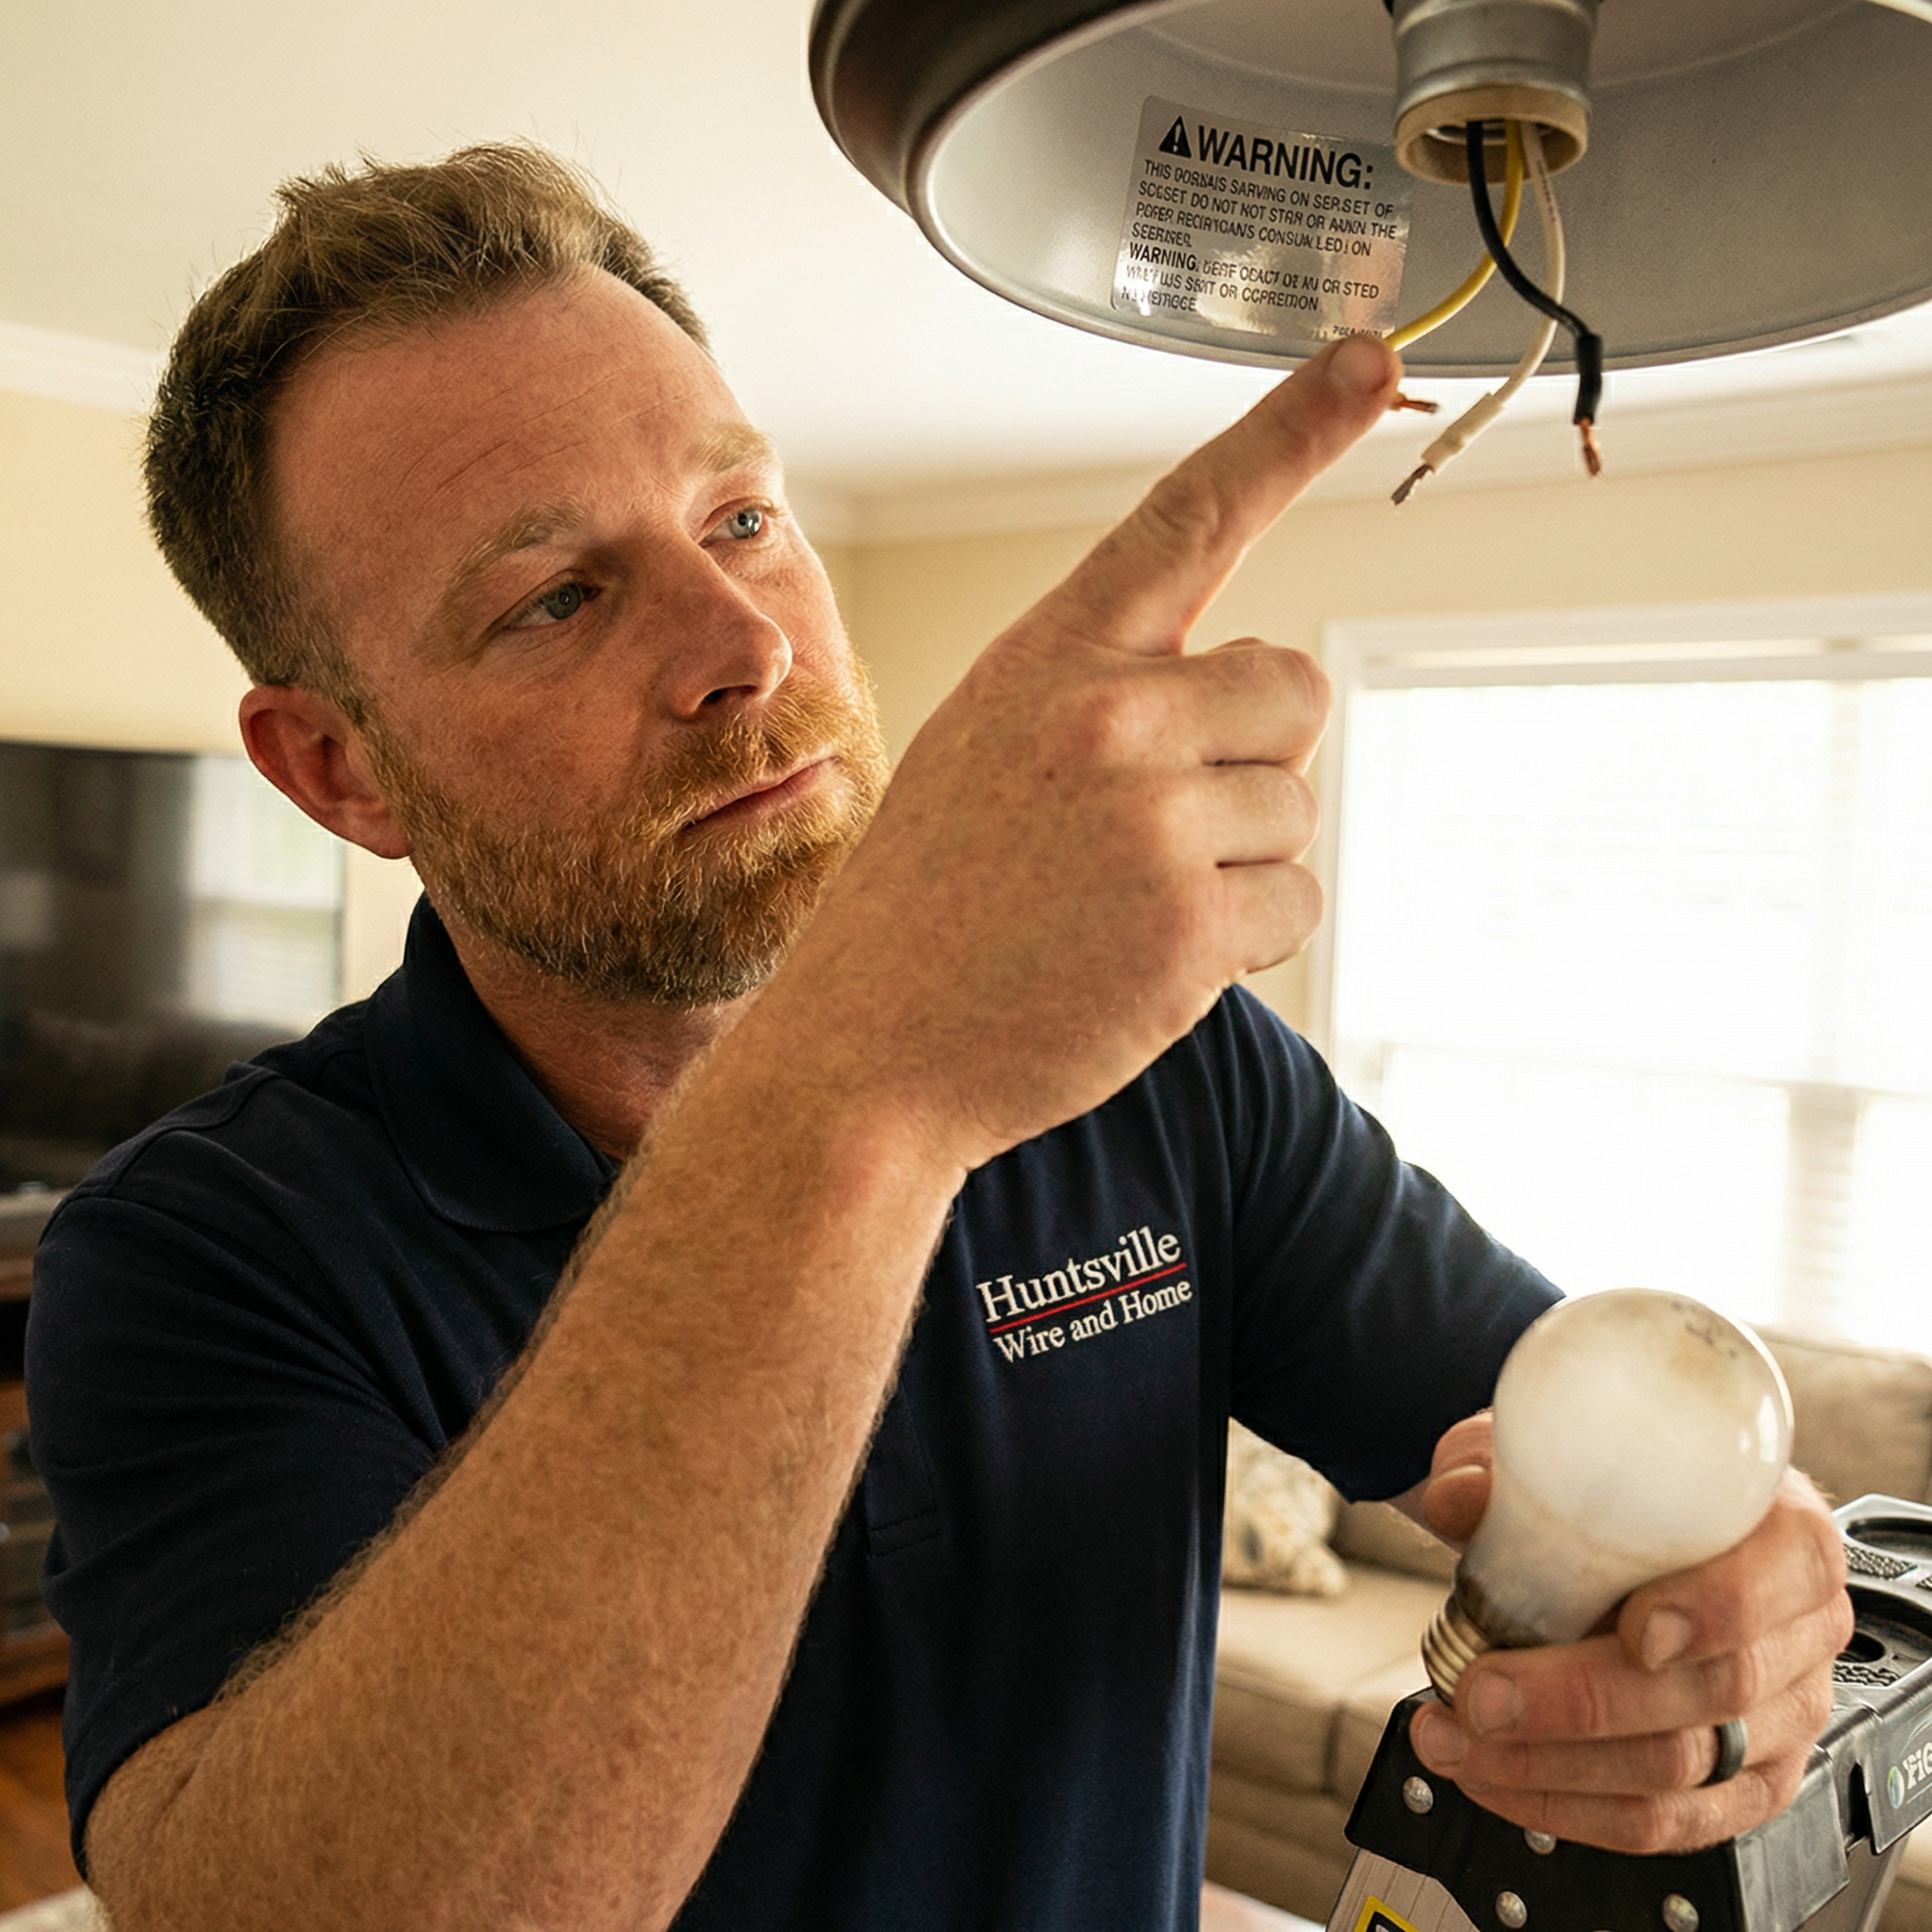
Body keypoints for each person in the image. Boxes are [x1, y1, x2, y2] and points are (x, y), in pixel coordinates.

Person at [25, 145, 1848, 1932]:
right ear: (337, 770)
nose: (743, 641)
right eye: (556, 599)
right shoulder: (202, 1256)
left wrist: (1718, 1601)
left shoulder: (1169, 1067)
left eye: (742, 517)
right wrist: (863, 1089)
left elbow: (1589, 1457)